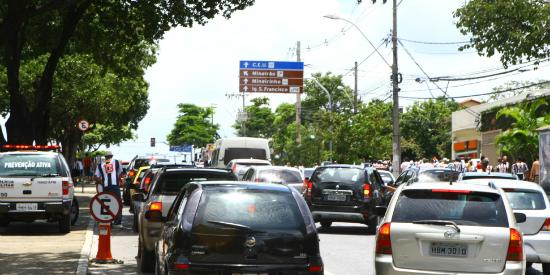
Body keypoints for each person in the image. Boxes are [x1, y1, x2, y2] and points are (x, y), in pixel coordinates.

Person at [94, 151, 124, 227]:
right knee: (118, 203)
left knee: (106, 204)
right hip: (115, 186)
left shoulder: (100, 165)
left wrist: (102, 182)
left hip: (106, 187)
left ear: (105, 157)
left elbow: (95, 177)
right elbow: (120, 173)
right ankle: (118, 222)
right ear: (112, 156)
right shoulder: (117, 162)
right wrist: (119, 180)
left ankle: (107, 221)